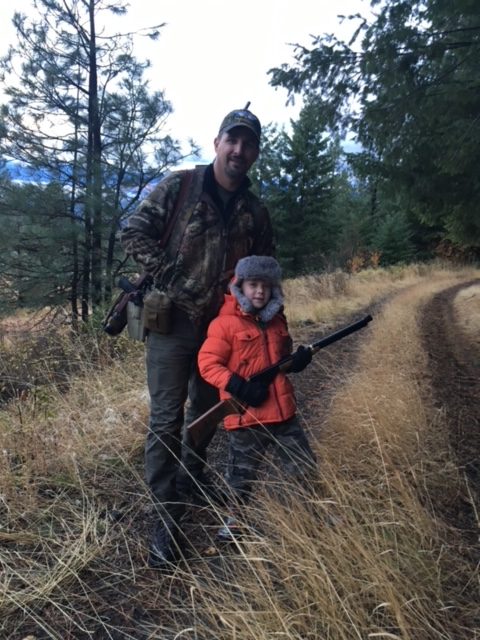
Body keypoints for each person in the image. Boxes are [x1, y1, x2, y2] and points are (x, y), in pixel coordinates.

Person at [120, 106, 274, 568]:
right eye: (233, 139)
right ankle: (165, 516)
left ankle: (192, 473)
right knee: (167, 417)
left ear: (255, 153)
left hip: (224, 331)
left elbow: (265, 273)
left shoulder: (255, 212)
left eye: (248, 144)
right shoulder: (181, 187)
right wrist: (172, 276)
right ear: (217, 142)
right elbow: (134, 231)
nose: (239, 150)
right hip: (172, 323)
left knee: (208, 411)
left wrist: (262, 326)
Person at [197, 255, 316, 541]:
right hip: (246, 418)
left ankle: (314, 512)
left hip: (284, 413)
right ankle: (234, 523)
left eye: (265, 285)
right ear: (240, 286)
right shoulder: (224, 325)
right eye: (253, 285)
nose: (259, 291)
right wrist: (237, 386)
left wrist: (297, 361)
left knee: (303, 467)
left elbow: (281, 361)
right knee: (241, 477)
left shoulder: (276, 322)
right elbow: (207, 364)